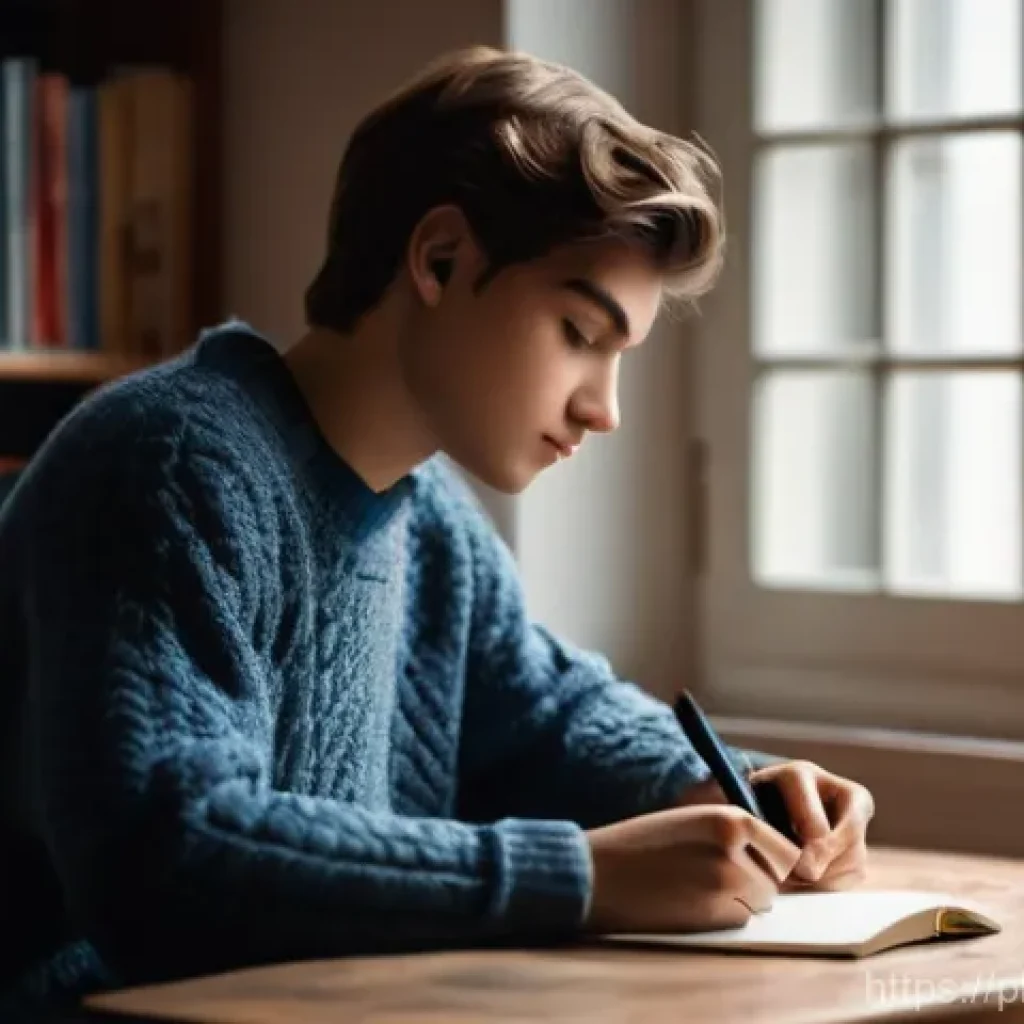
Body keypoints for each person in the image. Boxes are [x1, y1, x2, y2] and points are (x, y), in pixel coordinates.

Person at [0, 45, 874, 1017]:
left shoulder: (428, 518)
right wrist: (576, 876)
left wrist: (727, 783)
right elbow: (170, 857)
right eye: (580, 335)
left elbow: (550, 712)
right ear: (440, 258)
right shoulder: (167, 465)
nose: (604, 410)